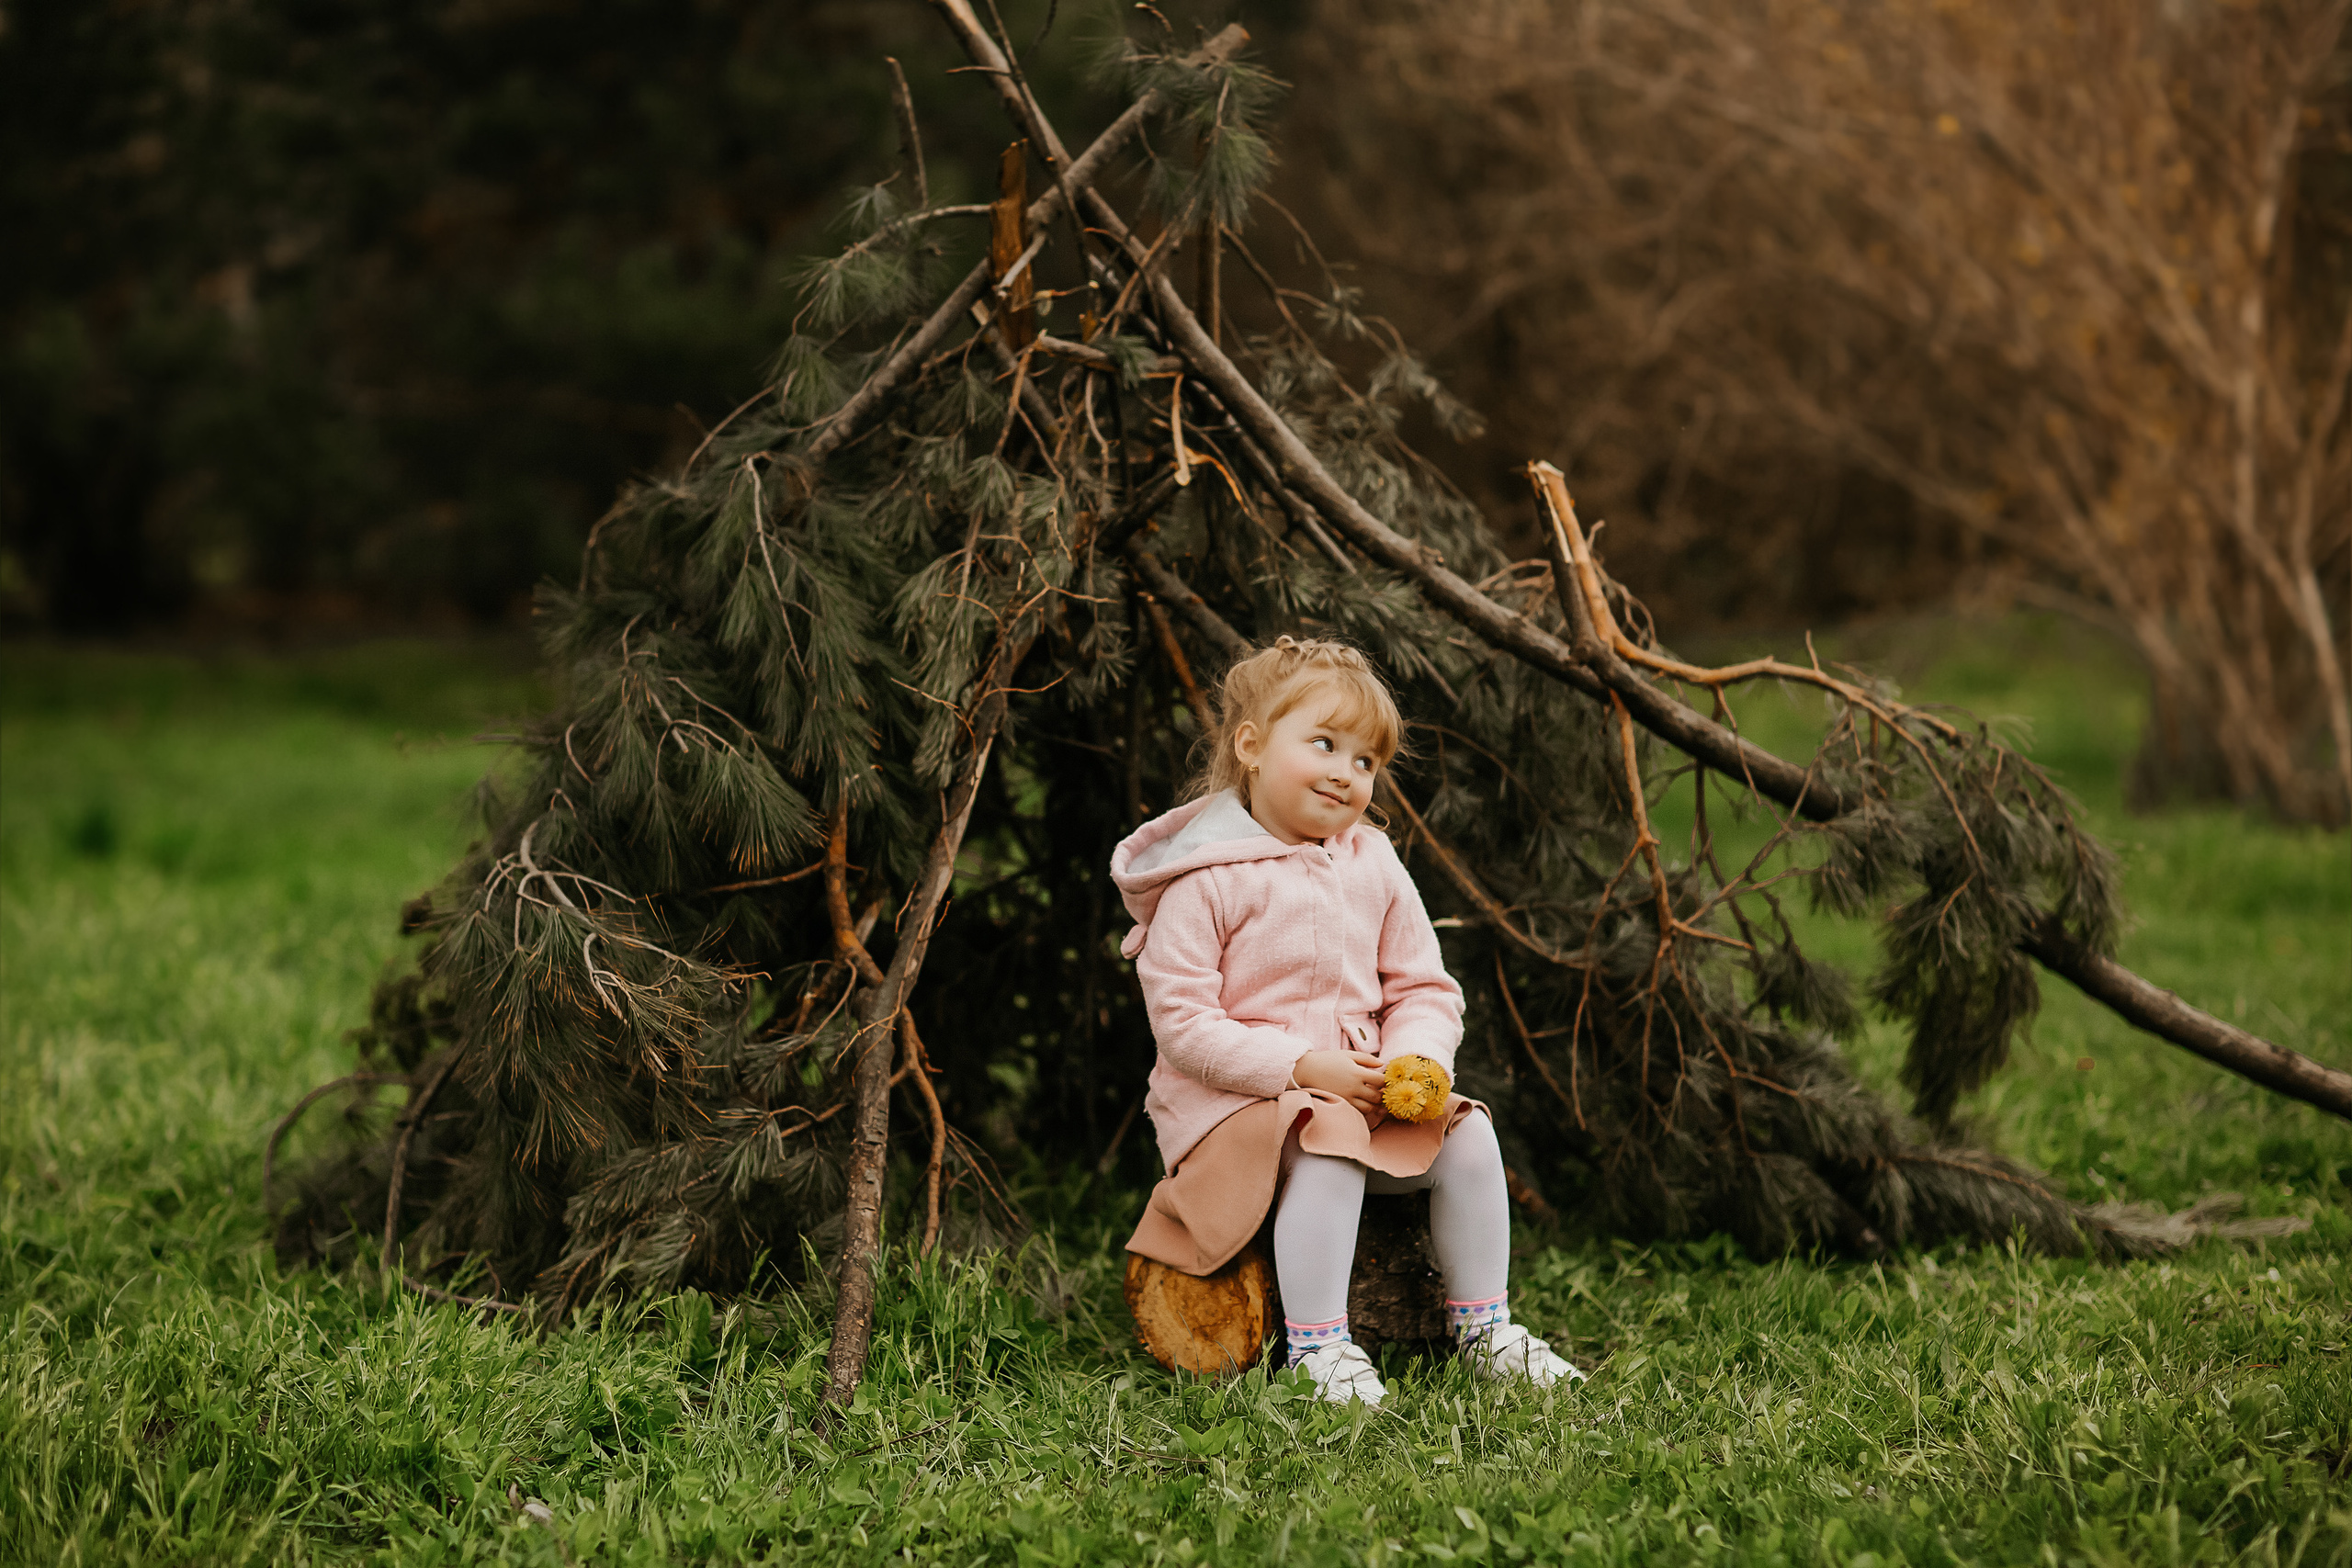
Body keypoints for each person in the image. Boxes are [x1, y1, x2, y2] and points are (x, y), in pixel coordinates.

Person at [1112, 637, 1581, 1406]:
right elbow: (1185, 1026)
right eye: (1324, 744)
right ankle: (1318, 1345)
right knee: (1328, 1140)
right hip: (1236, 1108)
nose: (1346, 772)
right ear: (1252, 746)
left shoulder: (1372, 862)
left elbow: (1423, 984)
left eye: (1366, 760)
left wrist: (1417, 1060)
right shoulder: (1205, 879)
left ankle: (1486, 1327)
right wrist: (1301, 1067)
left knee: (1469, 1133)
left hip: (1354, 1092)